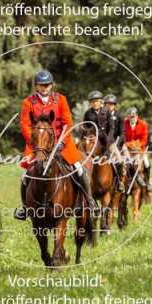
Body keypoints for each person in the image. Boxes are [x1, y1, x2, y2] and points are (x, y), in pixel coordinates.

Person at [13, 70, 98, 220]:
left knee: (79, 169)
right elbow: (25, 125)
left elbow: (68, 122)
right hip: (38, 144)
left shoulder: (61, 100)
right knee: (25, 175)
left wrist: (61, 142)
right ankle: (25, 208)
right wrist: (34, 142)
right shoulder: (28, 102)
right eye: (41, 85)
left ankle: (90, 201)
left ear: (52, 85)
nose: (45, 87)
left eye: (47, 85)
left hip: (62, 143)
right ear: (36, 86)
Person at [123, 107, 152, 191]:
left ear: (137, 116)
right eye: (130, 117)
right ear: (128, 117)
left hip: (139, 148)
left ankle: (147, 182)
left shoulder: (143, 124)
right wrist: (128, 145)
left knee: (147, 164)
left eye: (133, 116)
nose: (132, 118)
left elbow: (144, 140)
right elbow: (123, 137)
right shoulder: (124, 123)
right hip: (127, 149)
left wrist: (136, 146)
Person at [104, 94, 126, 192]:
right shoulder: (102, 115)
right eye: (107, 104)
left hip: (115, 142)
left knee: (119, 160)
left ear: (114, 105)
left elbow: (122, 133)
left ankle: (120, 181)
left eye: (111, 104)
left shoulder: (119, 116)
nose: (109, 106)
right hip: (102, 142)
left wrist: (117, 144)